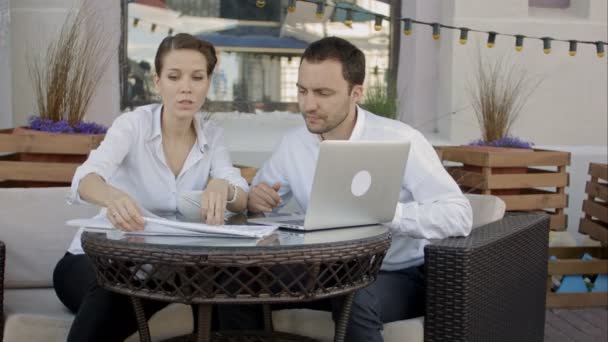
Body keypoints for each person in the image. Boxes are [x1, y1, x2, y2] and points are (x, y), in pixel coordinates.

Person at [222, 37, 473, 342]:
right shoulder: (294, 143)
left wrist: (387, 213)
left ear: (357, 92)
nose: (308, 105)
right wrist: (256, 200)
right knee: (233, 282)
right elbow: (261, 200)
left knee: (353, 297)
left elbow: (458, 215)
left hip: (393, 275)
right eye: (302, 91)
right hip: (319, 269)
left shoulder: (400, 139)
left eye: (322, 93)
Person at [53, 33, 249, 342]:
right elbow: (85, 178)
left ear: (208, 83)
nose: (186, 87)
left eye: (197, 77)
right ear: (157, 82)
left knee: (221, 293)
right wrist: (112, 196)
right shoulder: (133, 125)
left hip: (164, 272)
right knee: (113, 294)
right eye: (174, 76)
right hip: (93, 261)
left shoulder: (213, 136)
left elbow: (240, 193)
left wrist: (223, 186)